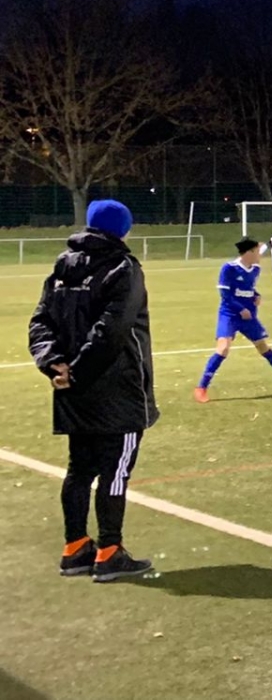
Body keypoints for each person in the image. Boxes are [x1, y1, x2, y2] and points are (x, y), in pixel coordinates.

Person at [26, 199, 160, 583]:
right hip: (117, 389)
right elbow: (112, 330)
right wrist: (78, 372)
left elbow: (40, 322)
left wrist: (54, 364)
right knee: (114, 473)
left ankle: (75, 548)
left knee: (79, 469)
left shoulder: (62, 268)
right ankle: (109, 552)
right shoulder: (123, 268)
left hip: (73, 391)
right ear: (123, 229)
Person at [195, 238, 272, 403]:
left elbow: (248, 288)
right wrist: (241, 309)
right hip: (230, 314)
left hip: (249, 316)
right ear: (250, 252)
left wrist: (256, 295)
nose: (260, 255)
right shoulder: (229, 268)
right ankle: (201, 388)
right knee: (223, 348)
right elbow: (225, 295)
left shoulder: (255, 269)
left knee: (263, 347)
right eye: (258, 251)